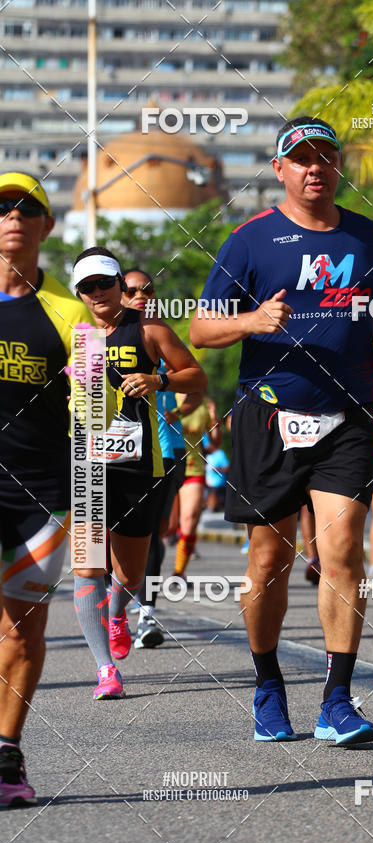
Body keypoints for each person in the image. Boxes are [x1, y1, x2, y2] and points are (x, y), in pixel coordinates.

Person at [190, 116, 373, 744]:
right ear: (279, 168)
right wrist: (251, 321)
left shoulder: (368, 238)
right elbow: (201, 330)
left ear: (338, 167)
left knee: (341, 554)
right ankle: (267, 685)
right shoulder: (249, 240)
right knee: (268, 560)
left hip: (351, 415)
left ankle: (337, 700)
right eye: (301, 158)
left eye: (325, 158)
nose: (315, 168)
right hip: (269, 413)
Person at [0, 172, 114, 806]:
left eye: (27, 207)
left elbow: (94, 415)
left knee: (21, 631)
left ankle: (6, 757)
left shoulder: (73, 315)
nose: (13, 216)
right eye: (1, 207)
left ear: (46, 226)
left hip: (41, 494)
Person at [72, 247, 206, 697]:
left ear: (118, 285)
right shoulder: (72, 333)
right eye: (87, 288)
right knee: (88, 568)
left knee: (128, 575)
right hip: (86, 469)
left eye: (105, 284)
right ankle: (105, 670)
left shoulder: (149, 330)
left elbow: (196, 377)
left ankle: (116, 614)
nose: (98, 294)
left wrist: (159, 381)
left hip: (138, 467)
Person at [121, 268, 203, 646]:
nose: (141, 294)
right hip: (112, 453)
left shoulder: (160, 335)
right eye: (133, 289)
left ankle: (147, 615)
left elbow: (196, 384)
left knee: (154, 532)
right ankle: (115, 608)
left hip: (163, 450)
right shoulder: (98, 335)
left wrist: (173, 405)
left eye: (148, 289)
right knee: (110, 537)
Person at [172, 399, 220, 581]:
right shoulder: (166, 393)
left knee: (190, 519)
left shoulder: (204, 405)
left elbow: (215, 444)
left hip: (193, 468)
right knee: (165, 526)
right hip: (165, 466)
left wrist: (215, 419)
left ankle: (178, 572)